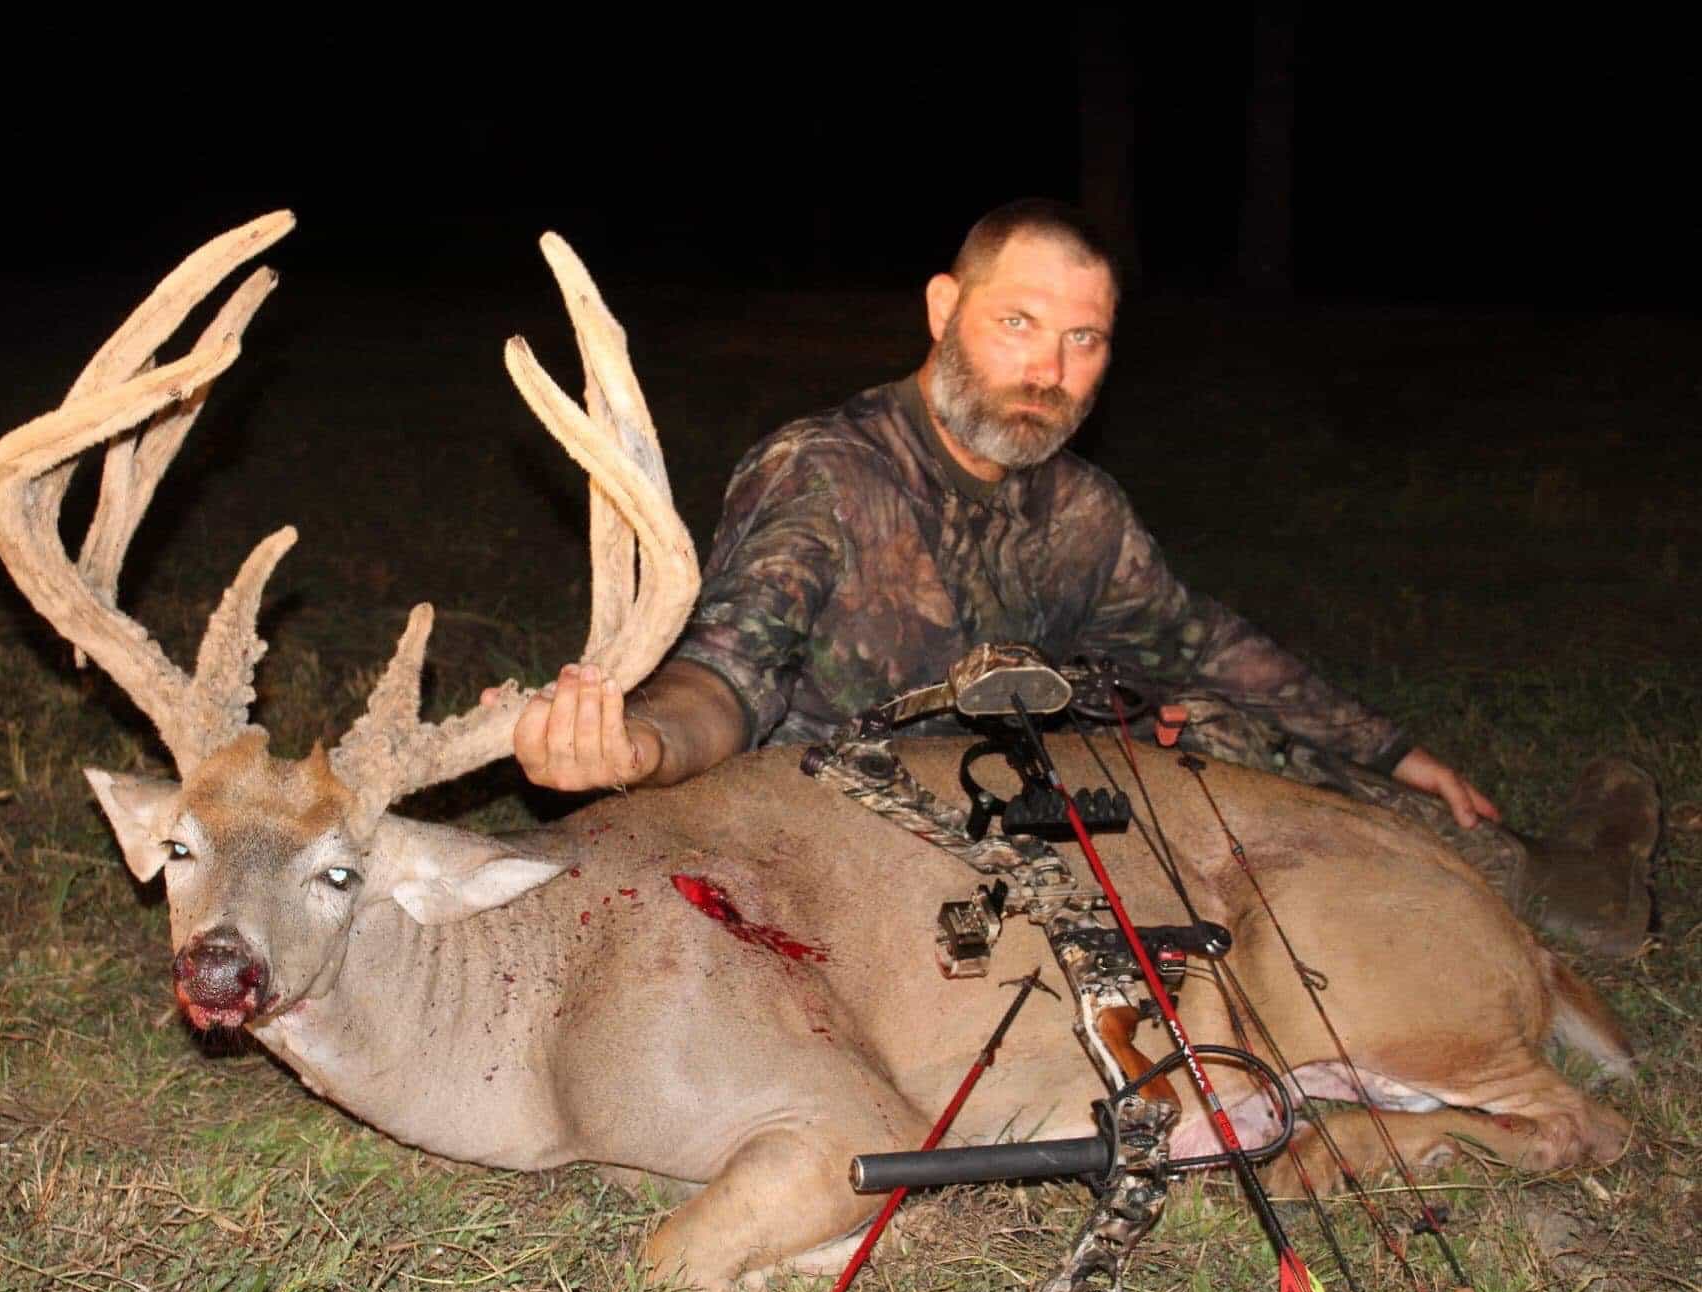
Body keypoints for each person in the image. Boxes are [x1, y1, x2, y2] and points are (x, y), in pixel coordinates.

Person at [496, 199, 1658, 956]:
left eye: (1085, 341)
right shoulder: (827, 475)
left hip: (1044, 802)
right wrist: (638, 745)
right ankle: (1536, 887)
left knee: (1223, 735)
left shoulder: (1077, 506)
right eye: (1019, 324)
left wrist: (1395, 749)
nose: (1048, 374)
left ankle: (1551, 877)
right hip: (862, 847)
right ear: (945, 310)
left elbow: (1198, 639)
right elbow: (726, 678)